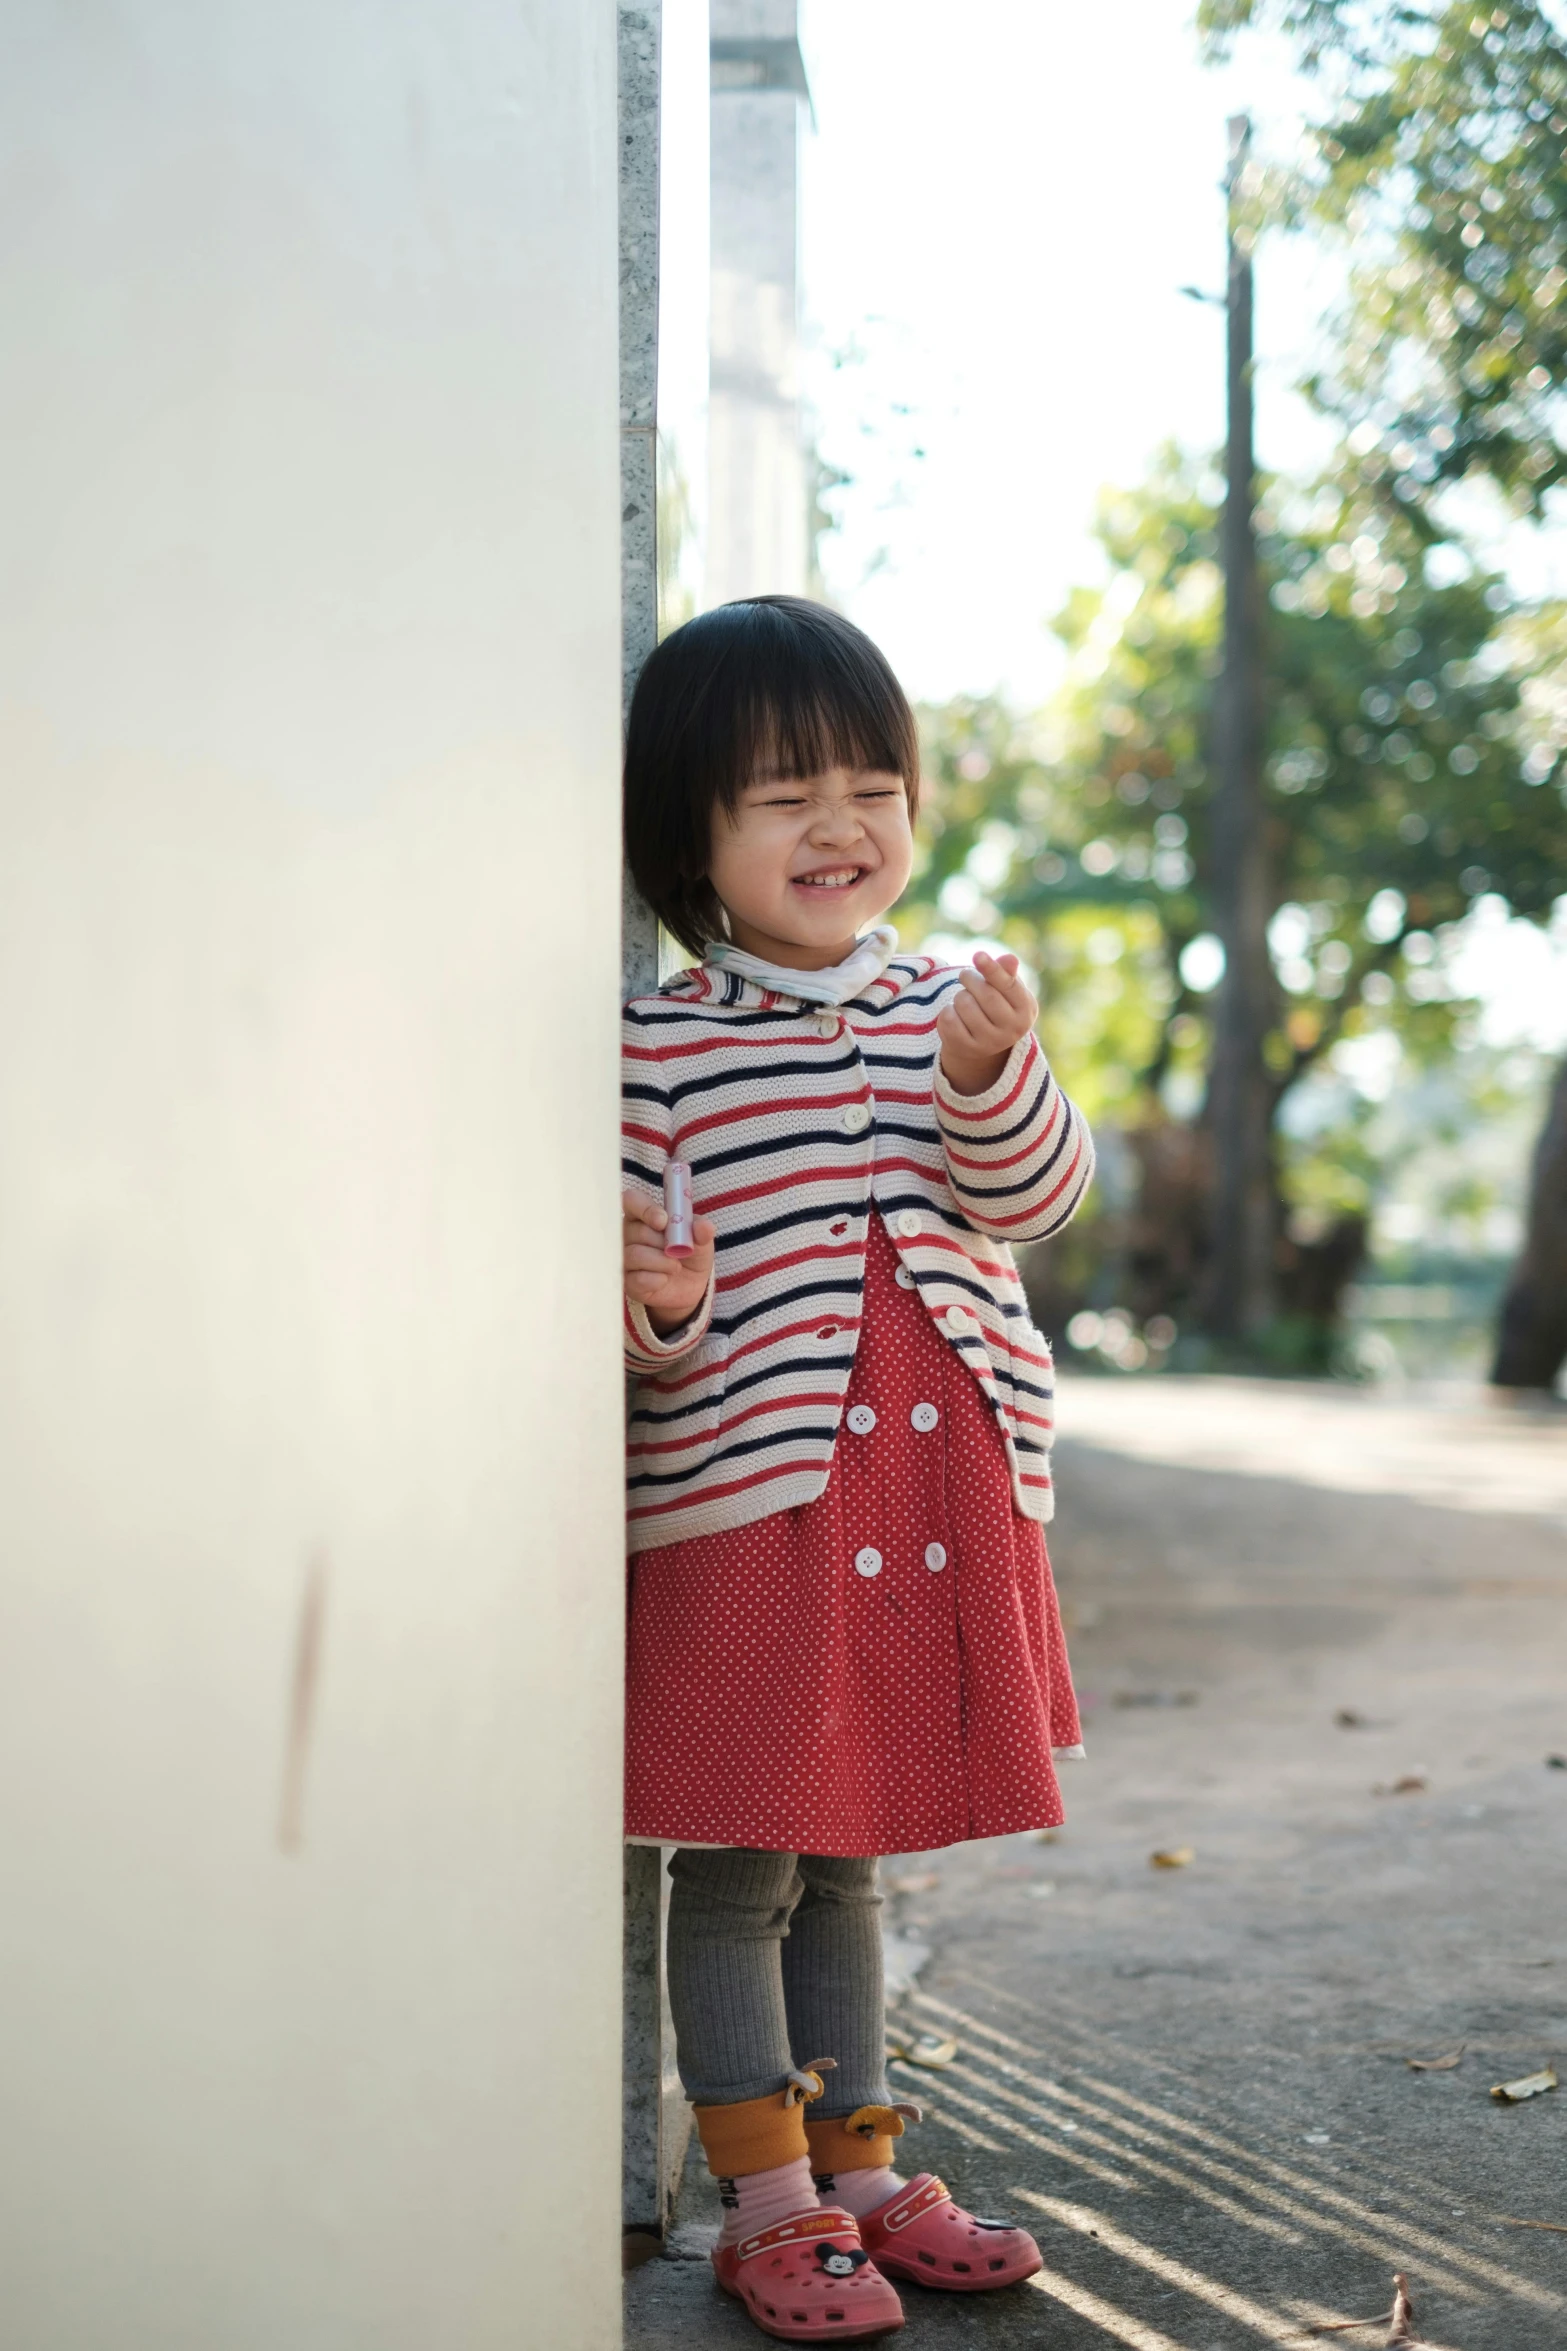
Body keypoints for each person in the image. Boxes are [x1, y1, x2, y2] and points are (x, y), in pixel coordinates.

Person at [621, 596, 1093, 2342]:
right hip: (765, 1509)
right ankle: (764, 2201)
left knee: (854, 1855)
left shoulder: (947, 998)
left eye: (871, 785)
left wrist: (992, 1080)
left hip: (939, 1499)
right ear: (690, 838)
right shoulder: (657, 1046)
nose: (840, 826)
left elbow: (1033, 1201)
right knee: (748, 1856)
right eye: (781, 796)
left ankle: (863, 2164)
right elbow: (626, 1310)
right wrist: (654, 1311)